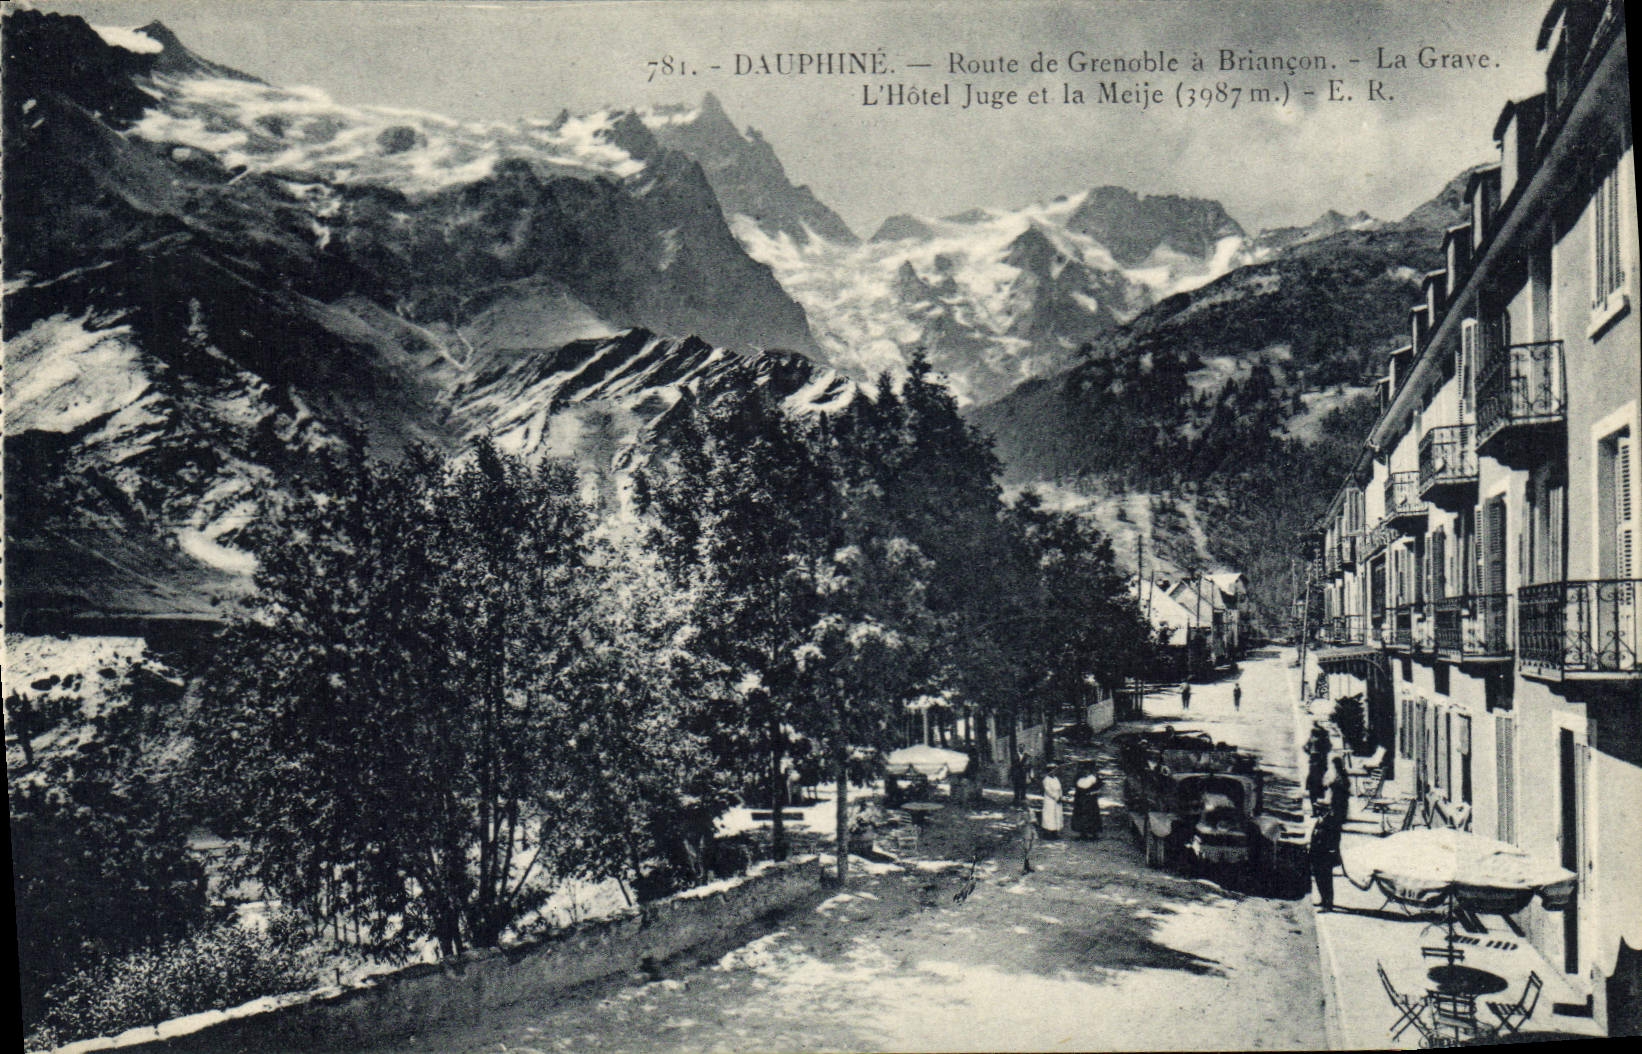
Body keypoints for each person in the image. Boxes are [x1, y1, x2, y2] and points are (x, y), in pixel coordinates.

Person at [1310, 754, 1351, 911]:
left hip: (1327, 834)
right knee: (1323, 870)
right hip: (1330, 832)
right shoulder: (1341, 785)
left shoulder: (1335, 786)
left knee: (1322, 870)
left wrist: (1321, 806)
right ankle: (1326, 900)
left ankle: (1327, 903)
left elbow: (1331, 805)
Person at [1071, 765, 1103, 839]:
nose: (1085, 772)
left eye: (1087, 770)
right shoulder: (1078, 778)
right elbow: (1076, 789)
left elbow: (1099, 788)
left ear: (1090, 771)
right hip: (1080, 800)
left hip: (1090, 800)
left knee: (1092, 815)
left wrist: (1094, 793)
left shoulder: (1094, 778)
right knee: (1080, 815)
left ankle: (1094, 833)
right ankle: (1083, 832)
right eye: (1084, 770)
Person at [1040, 767, 1065, 838]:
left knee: (1057, 815)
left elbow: (1060, 788)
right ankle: (1048, 833)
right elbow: (1048, 791)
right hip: (1050, 800)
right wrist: (1055, 797)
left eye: (1055, 770)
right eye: (1052, 770)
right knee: (1049, 816)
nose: (1054, 772)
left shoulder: (1056, 779)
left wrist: (1060, 796)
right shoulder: (1046, 780)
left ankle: (1055, 832)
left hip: (1057, 800)